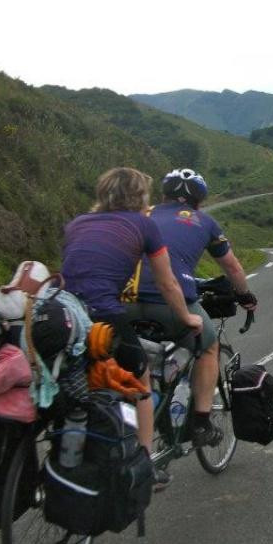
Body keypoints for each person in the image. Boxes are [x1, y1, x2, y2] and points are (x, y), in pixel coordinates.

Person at [61, 167, 203, 484]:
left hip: (67, 315)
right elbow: (168, 284)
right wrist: (187, 317)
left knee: (78, 379)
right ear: (140, 197)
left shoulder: (76, 224)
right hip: (105, 314)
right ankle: (145, 464)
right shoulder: (144, 225)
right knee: (139, 381)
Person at [122, 168, 257, 454]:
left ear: (163, 195)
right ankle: (200, 424)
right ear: (199, 201)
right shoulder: (205, 222)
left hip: (122, 300)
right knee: (208, 346)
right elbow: (231, 266)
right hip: (170, 302)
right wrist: (245, 297)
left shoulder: (141, 214)